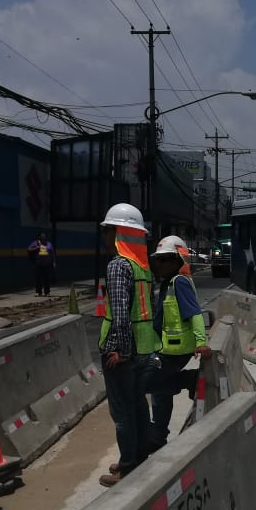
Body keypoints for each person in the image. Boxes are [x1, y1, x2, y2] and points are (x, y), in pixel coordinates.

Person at [97, 203, 159, 488]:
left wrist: (118, 350)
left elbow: (121, 313)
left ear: (119, 233)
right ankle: (138, 455)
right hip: (143, 350)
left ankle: (128, 466)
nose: (105, 236)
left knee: (122, 412)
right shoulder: (142, 267)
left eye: (108, 230)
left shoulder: (118, 265)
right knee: (137, 406)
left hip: (123, 353)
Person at [148, 235, 212, 452]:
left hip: (177, 350)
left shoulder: (179, 282)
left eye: (166, 259)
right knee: (160, 393)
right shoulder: (167, 284)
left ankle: (188, 379)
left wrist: (201, 342)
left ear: (178, 261)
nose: (161, 264)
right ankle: (157, 439)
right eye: (159, 260)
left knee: (149, 384)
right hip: (166, 348)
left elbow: (194, 313)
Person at [28, 230, 56, 296]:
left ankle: (47, 292)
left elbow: (52, 254)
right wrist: (36, 248)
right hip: (38, 264)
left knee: (46, 278)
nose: (43, 238)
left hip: (47, 264)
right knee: (38, 278)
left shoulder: (49, 244)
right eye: (42, 236)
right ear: (39, 237)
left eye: (44, 236)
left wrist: (54, 262)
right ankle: (38, 292)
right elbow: (29, 249)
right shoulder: (35, 243)